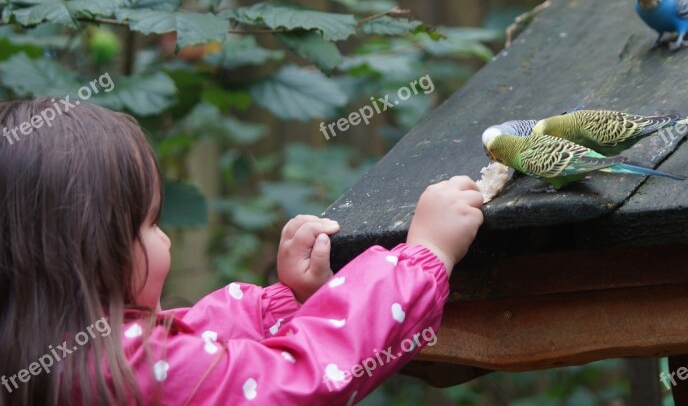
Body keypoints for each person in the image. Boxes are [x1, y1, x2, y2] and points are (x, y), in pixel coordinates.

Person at [0, 98, 484, 405]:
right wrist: (424, 257)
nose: (165, 238)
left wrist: (285, 302)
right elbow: (302, 378)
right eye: (149, 224)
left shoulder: (54, 354)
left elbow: (199, 350)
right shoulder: (118, 371)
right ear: (88, 249)